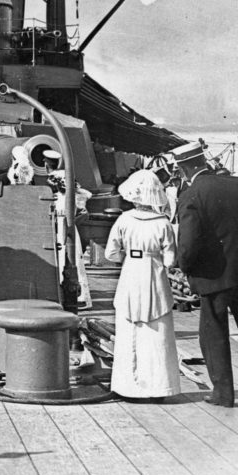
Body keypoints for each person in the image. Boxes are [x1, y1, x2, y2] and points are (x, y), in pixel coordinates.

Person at [173, 141, 238, 407]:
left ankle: (223, 394)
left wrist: (185, 266)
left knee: (214, 333)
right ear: (203, 161)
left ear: (183, 168)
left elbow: (189, 242)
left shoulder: (191, 195)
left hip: (212, 276)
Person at [104, 170, 181, 400]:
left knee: (129, 331)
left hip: (130, 273)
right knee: (157, 332)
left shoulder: (124, 219)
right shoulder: (163, 224)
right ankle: (159, 388)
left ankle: (127, 387)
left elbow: (111, 253)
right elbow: (170, 260)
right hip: (154, 275)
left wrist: (128, 257)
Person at [49, 169, 92, 309]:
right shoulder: (52, 197)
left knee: (74, 261)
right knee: (58, 259)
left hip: (68, 230)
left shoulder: (74, 198)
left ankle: (78, 295)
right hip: (56, 230)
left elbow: (85, 206)